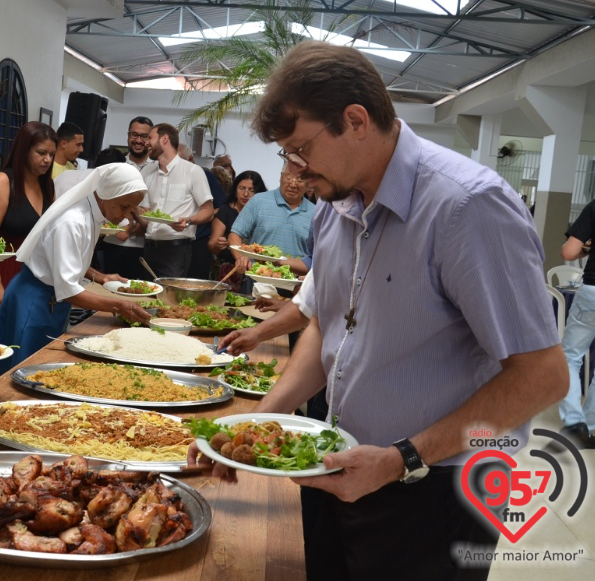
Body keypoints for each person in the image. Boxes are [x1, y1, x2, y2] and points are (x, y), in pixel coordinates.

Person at [189, 41, 567, 580]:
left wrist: (402, 459)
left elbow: (543, 377)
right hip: (343, 466)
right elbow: (323, 325)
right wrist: (260, 419)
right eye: (286, 155)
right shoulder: (336, 206)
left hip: (435, 489)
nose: (294, 170)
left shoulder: (467, 207)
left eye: (300, 149)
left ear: (356, 120)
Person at [0, 163, 154, 382]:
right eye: (124, 206)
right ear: (106, 194)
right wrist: (119, 305)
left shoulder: (92, 212)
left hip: (51, 300)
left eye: (131, 210)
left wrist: (98, 276)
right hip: (34, 300)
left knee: (42, 371)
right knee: (22, 374)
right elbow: (68, 290)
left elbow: (66, 260)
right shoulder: (73, 221)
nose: (126, 217)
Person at [0, 122, 55, 340]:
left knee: (25, 339)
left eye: (52, 154)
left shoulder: (47, 185)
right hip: (3, 269)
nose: (47, 160)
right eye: (41, 153)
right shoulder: (3, 181)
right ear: (24, 151)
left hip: (33, 272)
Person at [557, 196, 595, 449]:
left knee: (570, 356)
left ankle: (574, 425)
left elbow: (569, 252)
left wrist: (590, 247)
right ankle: (588, 428)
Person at [137, 123, 213, 279]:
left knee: (169, 298)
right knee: (146, 298)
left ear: (164, 139)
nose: (146, 143)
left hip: (176, 250)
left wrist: (189, 220)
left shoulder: (192, 171)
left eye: (150, 138)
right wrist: (135, 210)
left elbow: (208, 211)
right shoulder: (146, 171)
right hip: (149, 246)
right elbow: (144, 211)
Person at [230, 164, 314, 278]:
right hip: (257, 278)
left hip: (295, 283)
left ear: (308, 183)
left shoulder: (316, 212)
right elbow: (235, 234)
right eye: (288, 178)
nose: (293, 184)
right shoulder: (258, 201)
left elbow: (316, 257)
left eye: (300, 180)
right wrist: (241, 258)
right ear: (280, 177)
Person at [100, 116, 153, 281]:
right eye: (134, 135)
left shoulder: (157, 167)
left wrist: (144, 222)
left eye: (144, 136)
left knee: (140, 294)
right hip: (112, 245)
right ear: (128, 136)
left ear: (150, 139)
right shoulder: (116, 163)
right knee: (109, 293)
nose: (138, 140)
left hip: (144, 247)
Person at [209, 171, 266, 286]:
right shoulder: (226, 211)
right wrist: (218, 245)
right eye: (242, 188)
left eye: (251, 190)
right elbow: (211, 245)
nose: (245, 194)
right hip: (228, 269)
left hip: (257, 268)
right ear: (235, 190)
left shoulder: (264, 213)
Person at [178, 143, 226, 280]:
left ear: (191, 159)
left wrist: (198, 216)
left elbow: (220, 207)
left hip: (199, 239)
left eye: (181, 161)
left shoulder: (205, 176)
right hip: (176, 240)